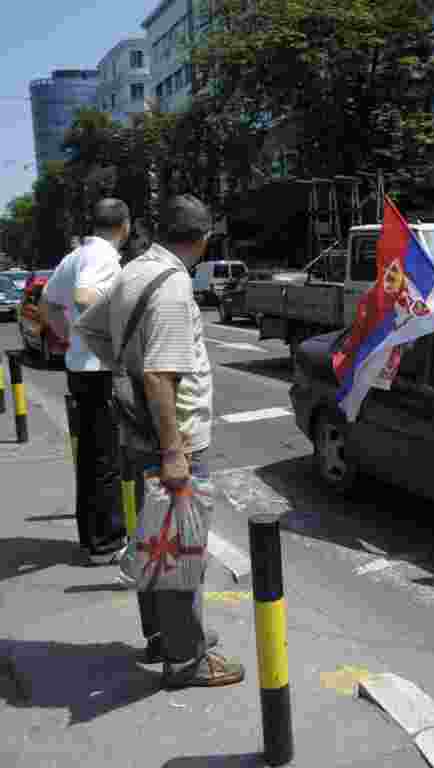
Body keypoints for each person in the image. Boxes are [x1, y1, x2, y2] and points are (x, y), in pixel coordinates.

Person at [77, 195, 245, 688]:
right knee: (179, 549)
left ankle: (163, 637)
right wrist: (175, 453)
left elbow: (87, 325)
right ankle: (186, 659)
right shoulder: (172, 288)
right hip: (174, 440)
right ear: (204, 238)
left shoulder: (133, 271)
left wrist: (123, 367)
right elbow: (158, 378)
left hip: (136, 431)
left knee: (155, 542)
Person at [41, 199, 130, 565]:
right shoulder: (104, 258)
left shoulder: (75, 256)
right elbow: (83, 296)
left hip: (80, 368)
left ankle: (93, 539)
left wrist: (69, 339)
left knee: (92, 458)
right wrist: (101, 341)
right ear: (124, 226)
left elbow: (48, 304)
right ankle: (106, 544)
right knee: (106, 458)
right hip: (99, 371)